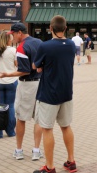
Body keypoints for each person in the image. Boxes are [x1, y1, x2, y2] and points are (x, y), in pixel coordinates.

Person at [32, 15, 77, 173]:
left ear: (50, 28)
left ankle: (50, 166)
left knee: (47, 129)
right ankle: (71, 161)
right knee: (66, 126)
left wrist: (42, 66)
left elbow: (35, 66)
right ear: (65, 28)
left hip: (49, 93)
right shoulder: (71, 45)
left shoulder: (45, 46)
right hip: (66, 92)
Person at [0, 22, 44, 161]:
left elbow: (24, 71)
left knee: (21, 118)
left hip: (27, 85)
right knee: (39, 119)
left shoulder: (22, 47)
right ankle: (36, 150)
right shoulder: (40, 42)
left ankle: (19, 150)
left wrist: (6, 74)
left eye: (13, 35)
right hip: (41, 83)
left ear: (19, 33)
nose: (13, 38)